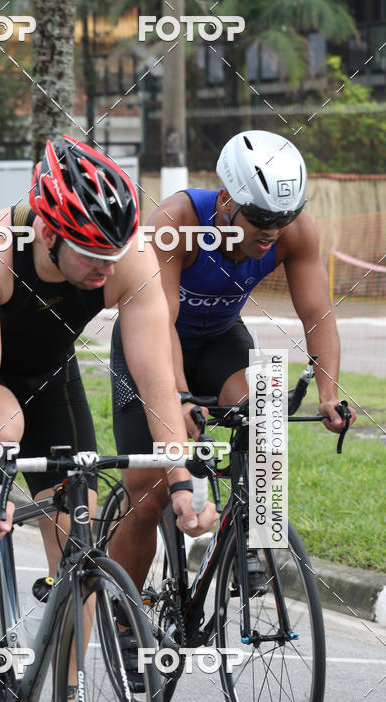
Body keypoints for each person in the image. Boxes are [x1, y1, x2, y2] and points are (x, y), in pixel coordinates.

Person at [0, 135, 217, 702]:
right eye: (93, 254)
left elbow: (155, 378)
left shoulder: (125, 260)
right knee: (3, 428)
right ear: (50, 229)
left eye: (116, 253)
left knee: (77, 548)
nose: (108, 270)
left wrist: (182, 477)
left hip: (49, 376)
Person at [108, 129, 356, 589]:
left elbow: (317, 313)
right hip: (150, 342)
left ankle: (255, 542)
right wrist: (180, 398)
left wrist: (328, 394)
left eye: (284, 217)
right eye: (261, 217)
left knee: (266, 399)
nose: (272, 231)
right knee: (147, 494)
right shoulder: (178, 221)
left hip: (219, 336)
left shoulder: (292, 234)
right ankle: (125, 619)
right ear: (225, 199)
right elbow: (160, 325)